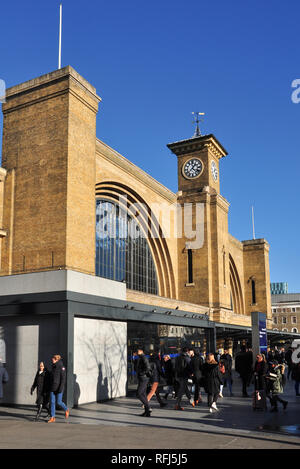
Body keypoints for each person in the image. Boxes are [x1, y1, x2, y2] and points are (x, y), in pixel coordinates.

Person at [48, 354, 69, 423]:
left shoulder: (61, 366)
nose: (52, 360)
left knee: (59, 402)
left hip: (59, 388)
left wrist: (61, 388)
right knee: (52, 402)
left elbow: (63, 379)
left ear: (56, 359)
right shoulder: (53, 366)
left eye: (53, 359)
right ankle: (52, 417)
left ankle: (66, 409)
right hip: (52, 387)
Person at [134, 347, 152, 417]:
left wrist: (141, 373)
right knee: (143, 394)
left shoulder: (144, 358)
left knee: (139, 394)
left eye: (137, 350)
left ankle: (148, 407)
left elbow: (148, 368)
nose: (136, 352)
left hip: (144, 378)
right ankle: (147, 412)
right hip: (142, 378)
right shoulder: (140, 358)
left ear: (141, 351)